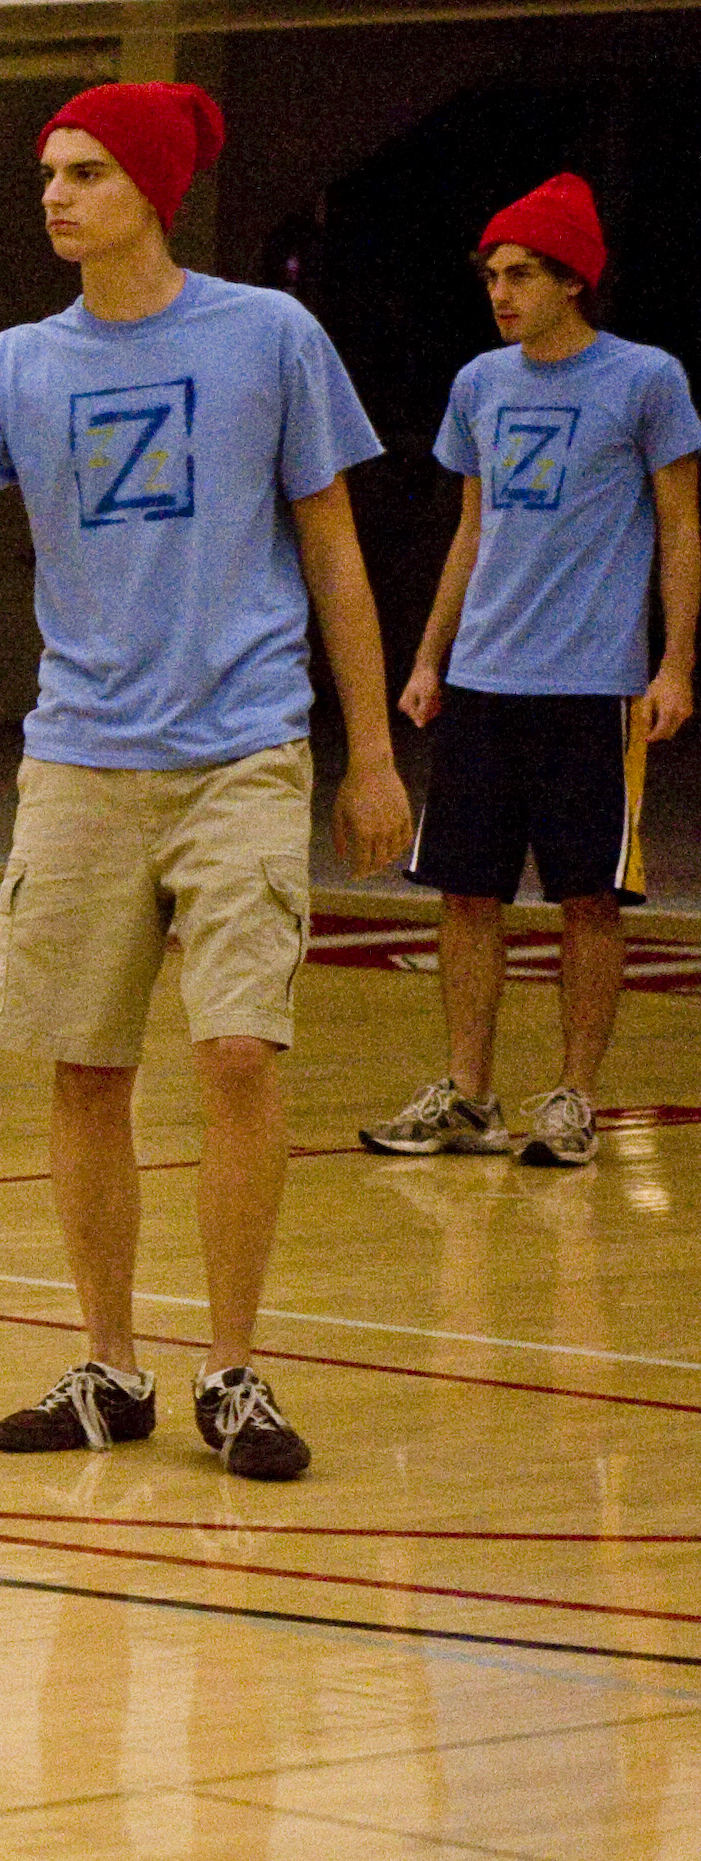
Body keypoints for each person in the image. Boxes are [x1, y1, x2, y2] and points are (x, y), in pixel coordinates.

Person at [0, 82, 411, 1483]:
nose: (55, 193)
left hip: (243, 747)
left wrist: (375, 751)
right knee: (86, 1070)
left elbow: (335, 544)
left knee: (235, 1052)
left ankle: (234, 1370)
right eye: (49, 171)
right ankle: (111, 1364)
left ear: (151, 190)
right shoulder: (23, 364)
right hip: (81, 759)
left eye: (86, 171)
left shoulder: (267, 337)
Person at [358, 174, 698, 1170]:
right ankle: (467, 1094)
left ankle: (572, 1099)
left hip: (591, 689)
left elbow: (680, 527)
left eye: (519, 274)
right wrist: (428, 656)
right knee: (465, 893)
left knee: (588, 898)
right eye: (491, 275)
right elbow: (471, 529)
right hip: (481, 684)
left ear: (572, 280)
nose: (499, 292)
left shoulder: (646, 381)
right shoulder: (478, 384)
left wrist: (674, 663)